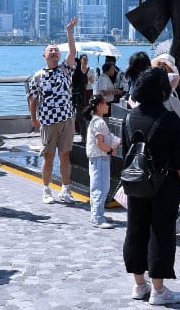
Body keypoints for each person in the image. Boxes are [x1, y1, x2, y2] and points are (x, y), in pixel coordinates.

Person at [123, 68, 180, 306]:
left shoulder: (129, 118)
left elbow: (126, 154)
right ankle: (158, 289)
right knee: (161, 232)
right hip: (165, 184)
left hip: (135, 180)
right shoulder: (170, 119)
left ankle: (139, 284)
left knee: (135, 229)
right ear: (162, 90)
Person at [28, 17, 80, 204]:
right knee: (48, 156)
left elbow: (73, 51)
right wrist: (34, 119)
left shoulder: (66, 69)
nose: (54, 51)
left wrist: (69, 32)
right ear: (44, 55)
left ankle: (65, 189)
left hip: (67, 119)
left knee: (65, 155)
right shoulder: (38, 76)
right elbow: (33, 99)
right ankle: (46, 189)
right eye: (50, 50)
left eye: (56, 49)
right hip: (48, 121)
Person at [84, 96, 120, 228]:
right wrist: (110, 150)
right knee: (100, 188)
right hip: (100, 158)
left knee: (100, 186)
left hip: (98, 159)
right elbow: (99, 142)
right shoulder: (99, 122)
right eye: (105, 103)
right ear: (99, 105)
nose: (108, 105)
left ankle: (98, 213)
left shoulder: (96, 121)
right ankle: (97, 217)